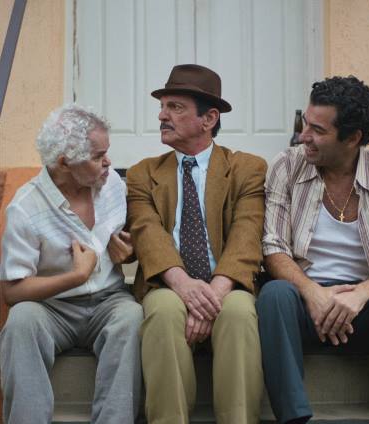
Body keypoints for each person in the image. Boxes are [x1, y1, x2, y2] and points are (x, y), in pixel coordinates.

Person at [256, 76, 369, 424]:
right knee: (274, 294)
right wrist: (313, 294)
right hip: (303, 306)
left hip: (362, 310)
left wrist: (360, 295)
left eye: (318, 130)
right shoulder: (286, 166)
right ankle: (294, 418)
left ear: (352, 138)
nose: (305, 135)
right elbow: (273, 246)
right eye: (305, 123)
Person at [126, 64, 266, 424]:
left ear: (209, 118)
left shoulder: (246, 169)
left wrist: (211, 296)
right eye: (163, 107)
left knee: (237, 313)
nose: (162, 115)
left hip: (226, 283)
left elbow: (246, 236)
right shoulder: (144, 173)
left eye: (175, 107)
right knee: (161, 312)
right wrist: (186, 287)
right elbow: (147, 233)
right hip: (169, 283)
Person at [0, 105, 142, 424]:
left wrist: (128, 253)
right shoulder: (25, 208)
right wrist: (77, 275)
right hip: (52, 309)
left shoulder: (113, 187)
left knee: (131, 316)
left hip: (108, 301)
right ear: (64, 162)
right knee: (20, 322)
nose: (108, 163)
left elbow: (128, 240)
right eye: (97, 156)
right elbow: (12, 291)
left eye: (107, 152)